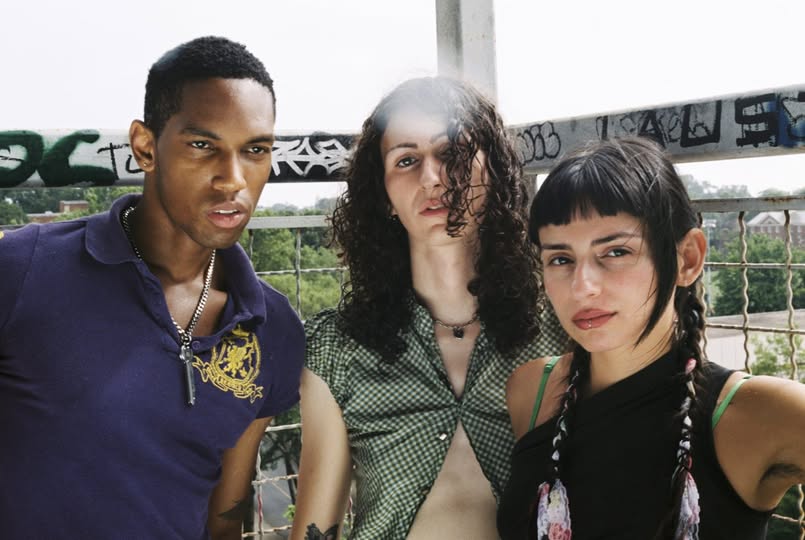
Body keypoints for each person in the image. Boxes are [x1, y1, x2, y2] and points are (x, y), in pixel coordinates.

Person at [0, 36, 305, 539]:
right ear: (145, 147)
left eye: (255, 150)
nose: (233, 179)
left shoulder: (273, 329)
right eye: (203, 146)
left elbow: (225, 519)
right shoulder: (24, 269)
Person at [290, 76, 567, 540]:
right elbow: (317, 525)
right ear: (383, 196)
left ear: (494, 172)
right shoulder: (337, 348)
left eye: (452, 152)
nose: (432, 178)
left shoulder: (559, 328)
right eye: (406, 160)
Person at [497, 136, 805, 539]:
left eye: (616, 252)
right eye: (560, 259)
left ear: (687, 258)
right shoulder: (531, 391)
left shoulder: (759, 415)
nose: (582, 286)